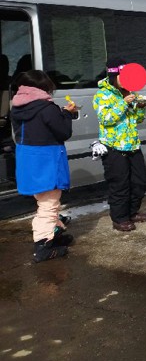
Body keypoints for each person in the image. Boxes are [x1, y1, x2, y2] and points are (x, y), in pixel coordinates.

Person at [11, 70, 78, 262]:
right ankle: (43, 245)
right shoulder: (47, 108)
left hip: (28, 159)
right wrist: (66, 113)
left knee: (43, 200)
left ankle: (54, 234)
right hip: (48, 160)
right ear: (43, 87)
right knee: (48, 204)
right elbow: (63, 132)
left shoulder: (17, 106)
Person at [93, 57, 146, 232]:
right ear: (113, 75)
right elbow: (106, 119)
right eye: (123, 76)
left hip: (132, 145)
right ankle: (119, 218)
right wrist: (123, 104)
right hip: (113, 147)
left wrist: (140, 106)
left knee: (140, 181)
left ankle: (132, 212)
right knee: (119, 184)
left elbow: (138, 119)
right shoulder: (102, 95)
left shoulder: (129, 92)